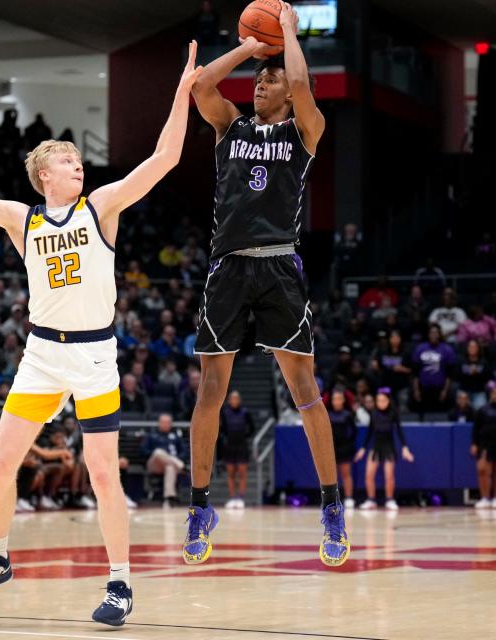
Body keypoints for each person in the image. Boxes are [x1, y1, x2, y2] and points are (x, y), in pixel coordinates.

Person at [0, 41, 203, 625]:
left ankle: (120, 585)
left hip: (96, 355)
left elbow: (165, 158)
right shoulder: (19, 218)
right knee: (1, 464)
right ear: (44, 174)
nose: (81, 166)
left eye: (80, 160)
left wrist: (183, 91)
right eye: (70, 161)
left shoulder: (100, 208)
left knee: (102, 472)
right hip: (43, 354)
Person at [185, 2, 349, 567]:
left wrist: (289, 38)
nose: (261, 82)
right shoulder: (230, 127)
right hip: (227, 267)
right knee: (209, 390)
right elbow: (202, 84)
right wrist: (251, 49)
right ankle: (200, 506)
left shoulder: (307, 129)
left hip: (280, 266)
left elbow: (302, 81)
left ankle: (331, 507)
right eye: (258, 78)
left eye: (269, 77)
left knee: (305, 392)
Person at [356, 388, 413, 510]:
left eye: (383, 400)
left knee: (389, 476)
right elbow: (369, 432)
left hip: (389, 448)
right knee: (369, 475)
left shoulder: (393, 413)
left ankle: (390, 499)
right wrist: (363, 448)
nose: (380, 402)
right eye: (378, 400)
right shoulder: (374, 414)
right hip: (375, 447)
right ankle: (371, 500)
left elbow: (399, 431)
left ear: (388, 401)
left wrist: (405, 447)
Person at [471, 384, 496, 509]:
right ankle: (485, 498)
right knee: (483, 471)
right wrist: (474, 443)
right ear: (490, 395)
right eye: (494, 393)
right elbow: (476, 428)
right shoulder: (482, 410)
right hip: (485, 444)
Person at [142, 414, 188, 507]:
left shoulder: (175, 436)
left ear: (171, 424)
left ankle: (168, 498)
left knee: (170, 467)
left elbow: (184, 451)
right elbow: (143, 450)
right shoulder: (152, 435)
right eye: (163, 422)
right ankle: (180, 465)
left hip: (171, 465)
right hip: (155, 464)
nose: (165, 424)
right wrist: (155, 454)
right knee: (158, 452)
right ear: (159, 423)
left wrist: (176, 457)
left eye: (168, 422)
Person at [219, 390, 254, 509]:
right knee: (231, 473)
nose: (234, 400)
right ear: (229, 400)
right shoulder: (224, 412)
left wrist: (244, 436)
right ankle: (232, 498)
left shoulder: (245, 412)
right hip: (229, 446)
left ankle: (240, 498)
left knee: (242, 473)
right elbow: (222, 428)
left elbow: (252, 428)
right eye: (232, 398)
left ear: (239, 400)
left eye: (236, 398)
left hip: (242, 446)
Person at [412, 324, 456, 414]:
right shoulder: (420, 348)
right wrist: (416, 390)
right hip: (423, 389)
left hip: (440, 389)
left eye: (436, 332)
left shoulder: (447, 350)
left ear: (439, 334)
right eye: (431, 332)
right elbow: (415, 372)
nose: (434, 335)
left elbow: (449, 374)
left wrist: (445, 391)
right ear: (428, 334)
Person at [326, 389, 358, 510]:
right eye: (335, 399)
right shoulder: (328, 414)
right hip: (331, 449)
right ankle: (331, 499)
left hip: (345, 448)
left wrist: (349, 445)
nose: (337, 401)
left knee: (346, 474)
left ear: (343, 400)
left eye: (339, 398)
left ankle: (349, 498)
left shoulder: (348, 415)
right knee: (331, 476)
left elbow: (354, 432)